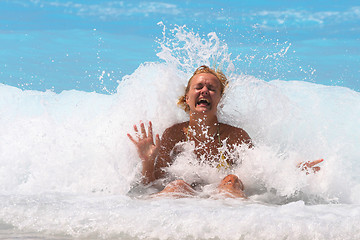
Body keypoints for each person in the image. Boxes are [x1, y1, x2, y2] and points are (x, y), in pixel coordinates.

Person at [127, 65, 322, 198]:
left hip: (223, 203)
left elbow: (261, 173)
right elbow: (154, 185)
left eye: (212, 88)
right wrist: (147, 161)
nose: (204, 91)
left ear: (219, 98)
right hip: (184, 203)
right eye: (199, 87)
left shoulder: (236, 136)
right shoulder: (173, 135)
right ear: (187, 98)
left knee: (231, 180)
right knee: (177, 184)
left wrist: (293, 172)